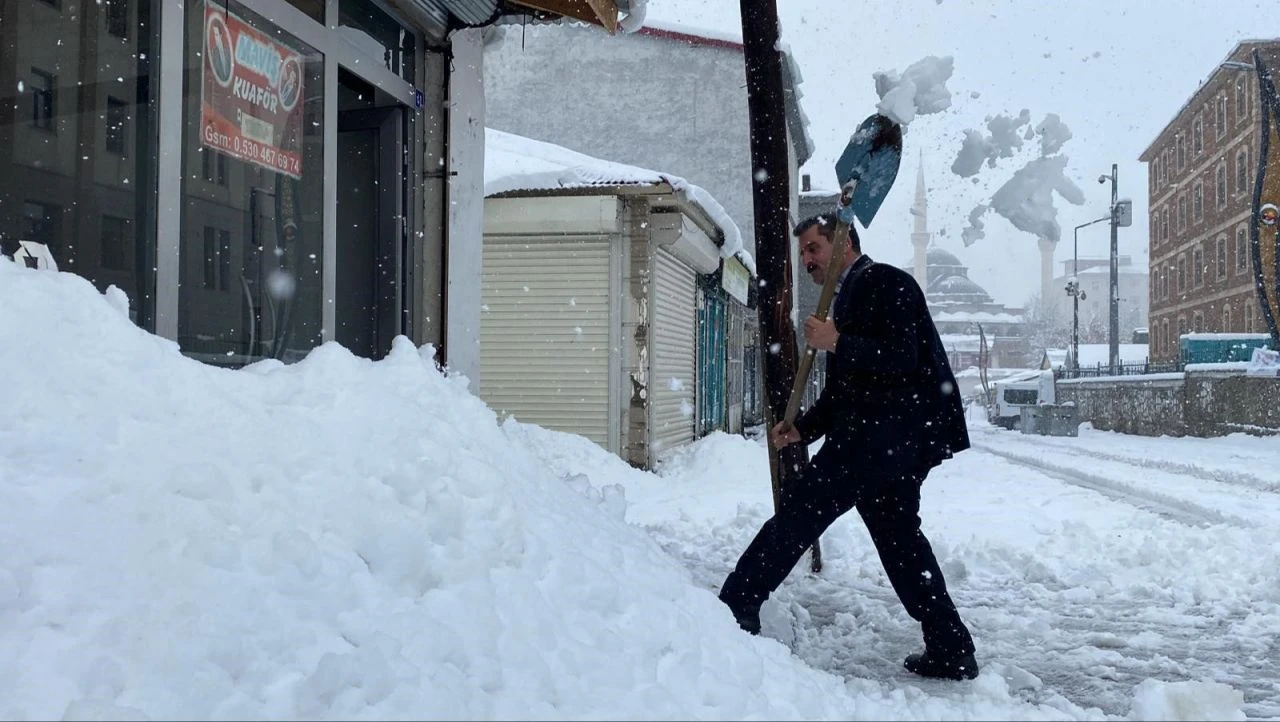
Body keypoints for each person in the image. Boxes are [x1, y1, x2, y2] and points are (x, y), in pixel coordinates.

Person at [718, 213, 979, 681]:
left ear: (843, 244)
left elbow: (903, 356)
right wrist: (803, 427)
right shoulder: (850, 293)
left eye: (814, 249)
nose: (808, 260)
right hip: (881, 443)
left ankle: (734, 606)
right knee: (901, 545)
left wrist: (838, 340)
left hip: (880, 440)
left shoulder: (885, 282)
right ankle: (950, 645)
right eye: (803, 253)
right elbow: (845, 390)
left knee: (798, 516)